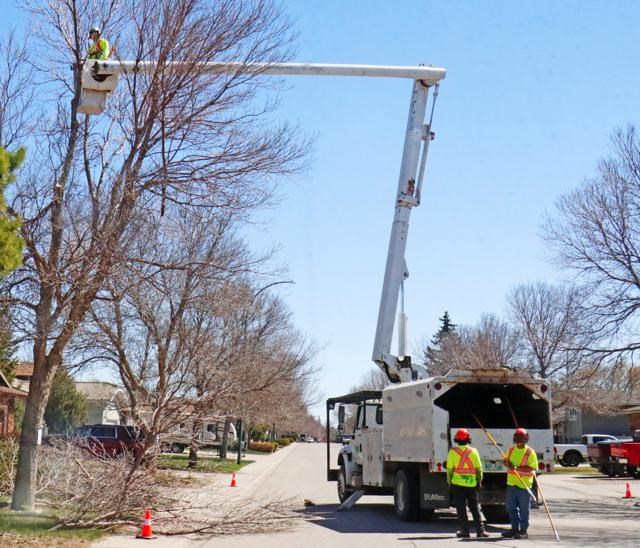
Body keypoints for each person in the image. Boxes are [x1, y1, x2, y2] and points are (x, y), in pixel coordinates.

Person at [446, 428, 489, 538]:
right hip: (471, 484)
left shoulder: (452, 452)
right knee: (474, 507)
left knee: (461, 508)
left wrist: (449, 482)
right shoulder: (473, 451)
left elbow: (450, 469)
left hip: (457, 484)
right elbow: (479, 469)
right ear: (468, 439)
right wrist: (479, 480)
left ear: (456, 440)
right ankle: (480, 531)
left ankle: (465, 531)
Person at [502, 427, 538, 539]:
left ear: (526, 438)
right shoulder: (511, 450)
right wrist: (506, 463)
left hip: (524, 484)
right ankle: (514, 529)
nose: (519, 439)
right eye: (517, 437)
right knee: (511, 508)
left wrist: (516, 468)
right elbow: (506, 462)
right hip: (512, 483)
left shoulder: (530, 452)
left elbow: (532, 468)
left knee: (524, 509)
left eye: (521, 437)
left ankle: (523, 530)